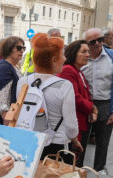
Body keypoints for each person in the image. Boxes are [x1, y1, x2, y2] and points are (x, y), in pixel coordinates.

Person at [17, 33, 82, 164]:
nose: (64, 58)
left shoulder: (23, 81)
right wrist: (75, 141)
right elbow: (70, 124)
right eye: (62, 55)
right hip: (57, 145)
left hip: (29, 141)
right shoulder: (64, 85)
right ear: (53, 60)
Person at [81, 28, 113, 174]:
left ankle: (99, 169)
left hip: (105, 104)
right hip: (84, 105)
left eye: (100, 39)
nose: (97, 43)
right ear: (86, 43)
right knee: (81, 139)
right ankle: (77, 169)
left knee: (103, 140)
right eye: (93, 41)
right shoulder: (80, 58)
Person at [58, 40, 98, 167]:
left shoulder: (78, 71)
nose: (88, 55)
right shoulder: (68, 70)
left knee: (78, 158)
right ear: (73, 53)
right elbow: (74, 96)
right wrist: (91, 107)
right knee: (74, 159)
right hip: (75, 121)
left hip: (82, 119)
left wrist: (92, 109)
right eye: (83, 51)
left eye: (88, 51)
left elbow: (86, 93)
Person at [0, 36, 25, 125]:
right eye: (19, 48)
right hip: (5, 122)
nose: (22, 51)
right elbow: (0, 98)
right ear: (9, 49)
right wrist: (6, 118)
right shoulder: (5, 68)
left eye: (23, 48)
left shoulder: (11, 67)